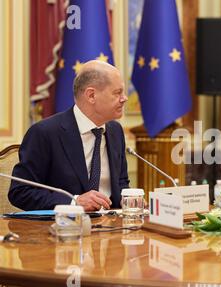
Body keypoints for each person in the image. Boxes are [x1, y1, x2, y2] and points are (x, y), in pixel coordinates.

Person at [9, 60, 130, 211]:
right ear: (91, 95)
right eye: (117, 93)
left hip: (112, 228)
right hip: (62, 229)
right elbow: (20, 192)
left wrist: (131, 200)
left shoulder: (115, 131)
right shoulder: (44, 133)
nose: (124, 98)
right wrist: (74, 202)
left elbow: (121, 183)